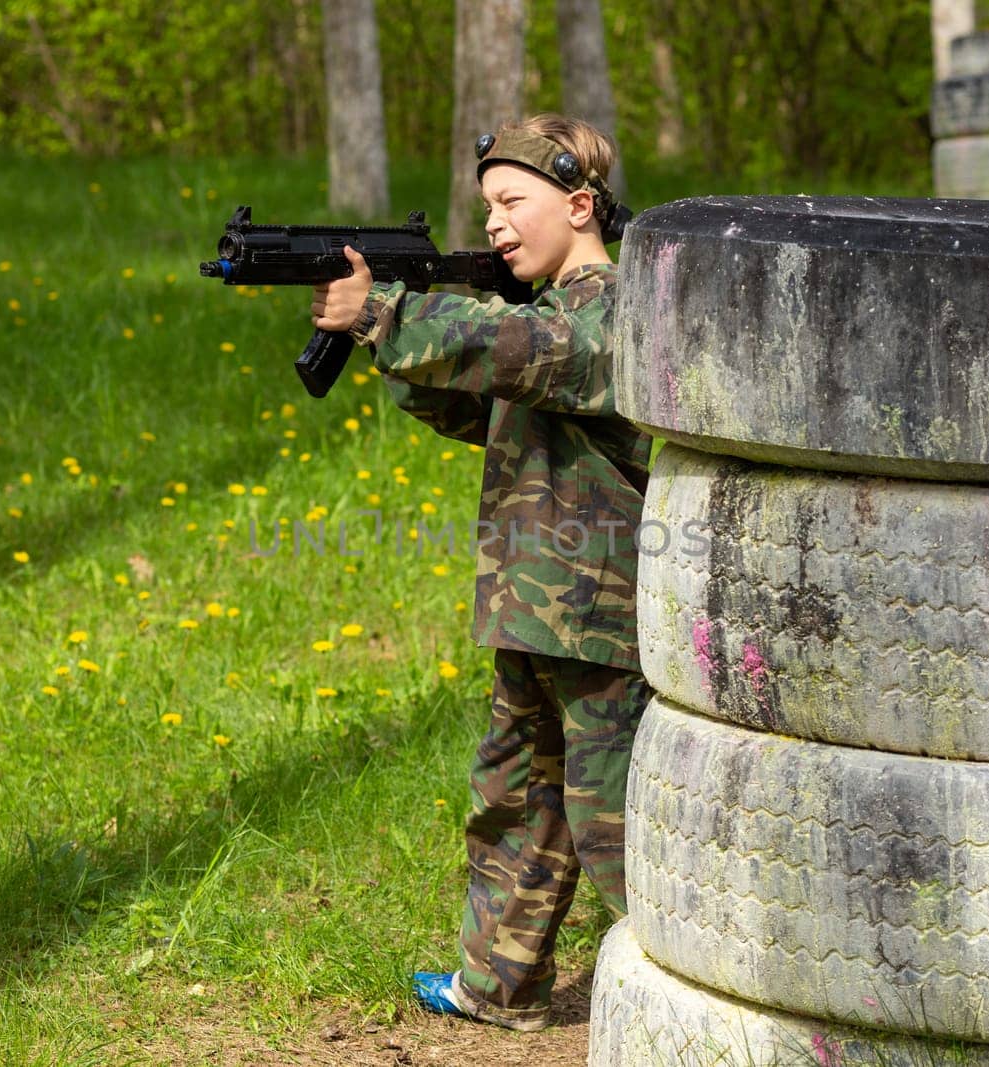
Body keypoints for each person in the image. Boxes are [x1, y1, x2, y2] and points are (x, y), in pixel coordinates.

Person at [310, 113, 653, 1032]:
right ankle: (499, 986)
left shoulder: (611, 309)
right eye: (487, 208)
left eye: (513, 202)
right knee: (514, 801)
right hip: (531, 609)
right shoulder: (541, 315)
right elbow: (486, 409)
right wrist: (401, 350)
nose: (495, 225)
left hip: (599, 612)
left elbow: (539, 358)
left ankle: (697, 989)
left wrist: (390, 313)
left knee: (611, 813)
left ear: (579, 204)